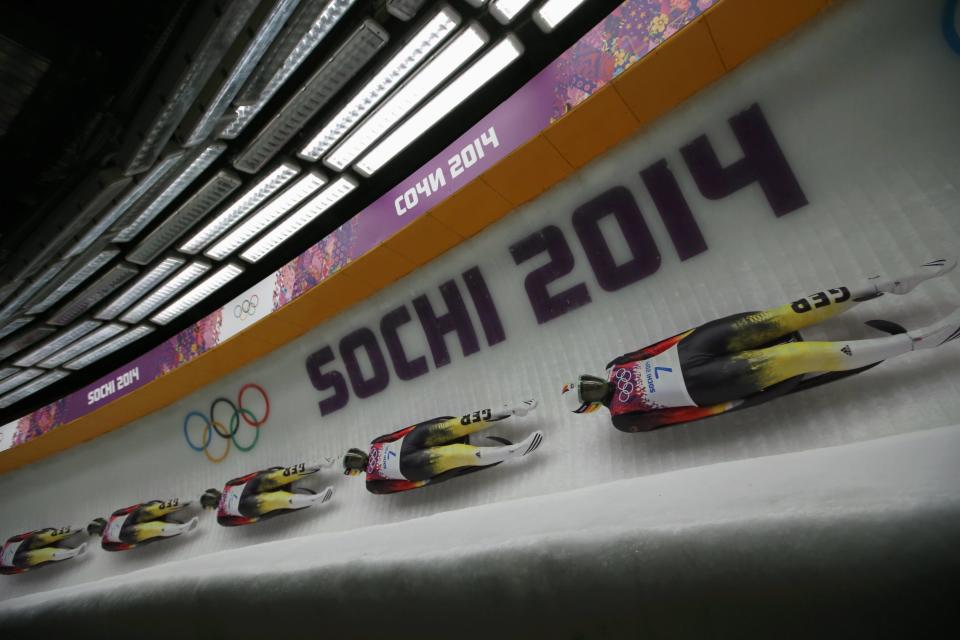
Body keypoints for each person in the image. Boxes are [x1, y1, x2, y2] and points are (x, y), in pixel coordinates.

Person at [561, 258, 959, 432]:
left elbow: (658, 345)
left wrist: (698, 332)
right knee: (796, 357)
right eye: (587, 391)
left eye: (585, 379)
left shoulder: (616, 364)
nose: (593, 383)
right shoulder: (623, 419)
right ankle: (921, 341)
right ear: (591, 405)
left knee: (785, 314)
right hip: (706, 384)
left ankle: (886, 284)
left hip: (695, 348)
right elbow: (682, 418)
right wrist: (735, 404)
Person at [343, 400, 542, 494]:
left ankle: (512, 433)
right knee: (455, 432)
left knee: (455, 442)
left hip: (411, 459)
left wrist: (426, 481)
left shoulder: (372, 479)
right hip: (411, 450)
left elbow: (399, 486)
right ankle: (509, 422)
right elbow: (402, 433)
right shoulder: (373, 462)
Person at [201, 462, 335, 527]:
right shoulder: (228, 485)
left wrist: (260, 517)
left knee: (277, 500)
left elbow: (242, 521)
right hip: (249, 488)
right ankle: (317, 465)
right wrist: (265, 472)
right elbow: (249, 477)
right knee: (280, 476)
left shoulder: (221, 518)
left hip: (246, 506)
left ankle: (315, 499)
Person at [87, 498, 199, 551]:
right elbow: (132, 508)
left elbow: (122, 547)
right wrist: (145, 505)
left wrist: (135, 545)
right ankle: (182, 503)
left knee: (152, 529)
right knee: (150, 511)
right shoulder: (113, 516)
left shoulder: (105, 543)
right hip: (130, 521)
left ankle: (181, 528)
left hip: (127, 533)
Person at [1, 526, 87, 575]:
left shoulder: (10, 542)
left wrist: (39, 531)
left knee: (35, 539)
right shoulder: (2, 568)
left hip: (25, 547)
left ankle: (64, 533)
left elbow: (26, 536)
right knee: (30, 556)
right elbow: (16, 570)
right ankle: (63, 550)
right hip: (20, 559)